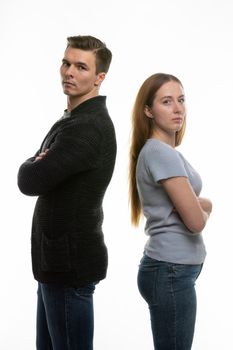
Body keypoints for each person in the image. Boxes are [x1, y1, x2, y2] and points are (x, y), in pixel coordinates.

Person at [17, 35, 116, 350]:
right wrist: (37, 163)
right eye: (66, 63)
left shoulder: (86, 128)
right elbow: (37, 172)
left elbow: (29, 180)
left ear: (99, 77)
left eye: (81, 67)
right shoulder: (73, 119)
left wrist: (34, 163)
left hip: (68, 267)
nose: (69, 72)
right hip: (55, 264)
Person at [129, 73, 212, 350]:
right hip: (171, 271)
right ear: (148, 110)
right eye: (167, 101)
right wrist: (206, 206)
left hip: (171, 270)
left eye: (181, 99)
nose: (178, 108)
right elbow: (196, 221)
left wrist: (197, 206)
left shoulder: (163, 151)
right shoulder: (160, 153)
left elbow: (190, 209)